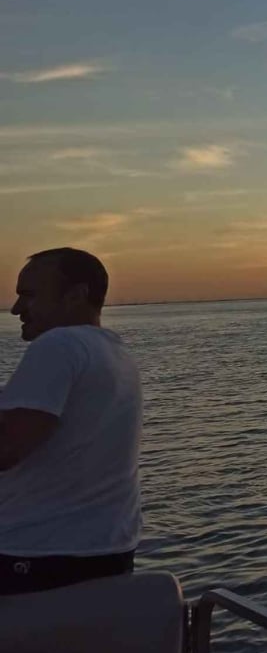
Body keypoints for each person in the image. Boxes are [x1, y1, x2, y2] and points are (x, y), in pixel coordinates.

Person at [0, 247, 141, 594]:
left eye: (28, 296)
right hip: (107, 552)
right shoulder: (116, 354)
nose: (16, 308)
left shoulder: (59, 345)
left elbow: (6, 449)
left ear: (76, 295)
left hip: (36, 557)